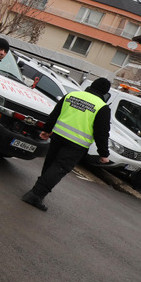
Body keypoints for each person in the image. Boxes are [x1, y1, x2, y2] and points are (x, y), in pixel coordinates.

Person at [21, 78, 112, 212]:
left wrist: (47, 130)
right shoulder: (102, 107)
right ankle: (35, 195)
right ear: (105, 92)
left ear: (92, 85)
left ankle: (37, 192)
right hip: (77, 144)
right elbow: (102, 133)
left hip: (58, 136)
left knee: (50, 165)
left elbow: (55, 114)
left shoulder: (72, 95)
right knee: (59, 169)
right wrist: (104, 154)